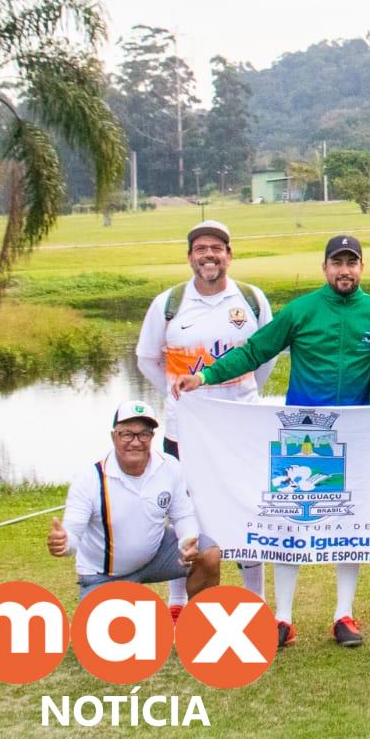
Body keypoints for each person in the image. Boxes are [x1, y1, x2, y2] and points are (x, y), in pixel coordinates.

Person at [170, 234, 370, 649]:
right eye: (337, 263)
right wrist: (204, 376)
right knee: (290, 523)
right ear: (325, 268)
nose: (344, 270)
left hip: (356, 436)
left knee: (349, 524)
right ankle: (282, 618)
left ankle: (343, 615)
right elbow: (255, 350)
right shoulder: (301, 310)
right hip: (301, 435)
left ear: (362, 268)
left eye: (352, 263)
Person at [133, 219, 272, 612]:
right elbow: (146, 359)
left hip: (241, 427)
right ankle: (177, 600)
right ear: (190, 257)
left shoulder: (251, 298)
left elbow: (267, 356)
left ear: (229, 255)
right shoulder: (168, 303)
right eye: (201, 249)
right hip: (186, 431)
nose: (209, 255)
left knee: (249, 508)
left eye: (217, 248)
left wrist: (243, 394)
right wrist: (179, 398)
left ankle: (255, 599)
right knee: (184, 511)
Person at [48, 401, 222, 600]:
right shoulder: (90, 479)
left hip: (155, 557)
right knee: (123, 630)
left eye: (143, 434)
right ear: (114, 436)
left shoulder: (169, 466)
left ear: (152, 437)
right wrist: (63, 544)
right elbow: (72, 535)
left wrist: (187, 541)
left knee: (208, 554)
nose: (136, 442)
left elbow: (183, 514)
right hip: (104, 576)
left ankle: (196, 625)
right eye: (127, 434)